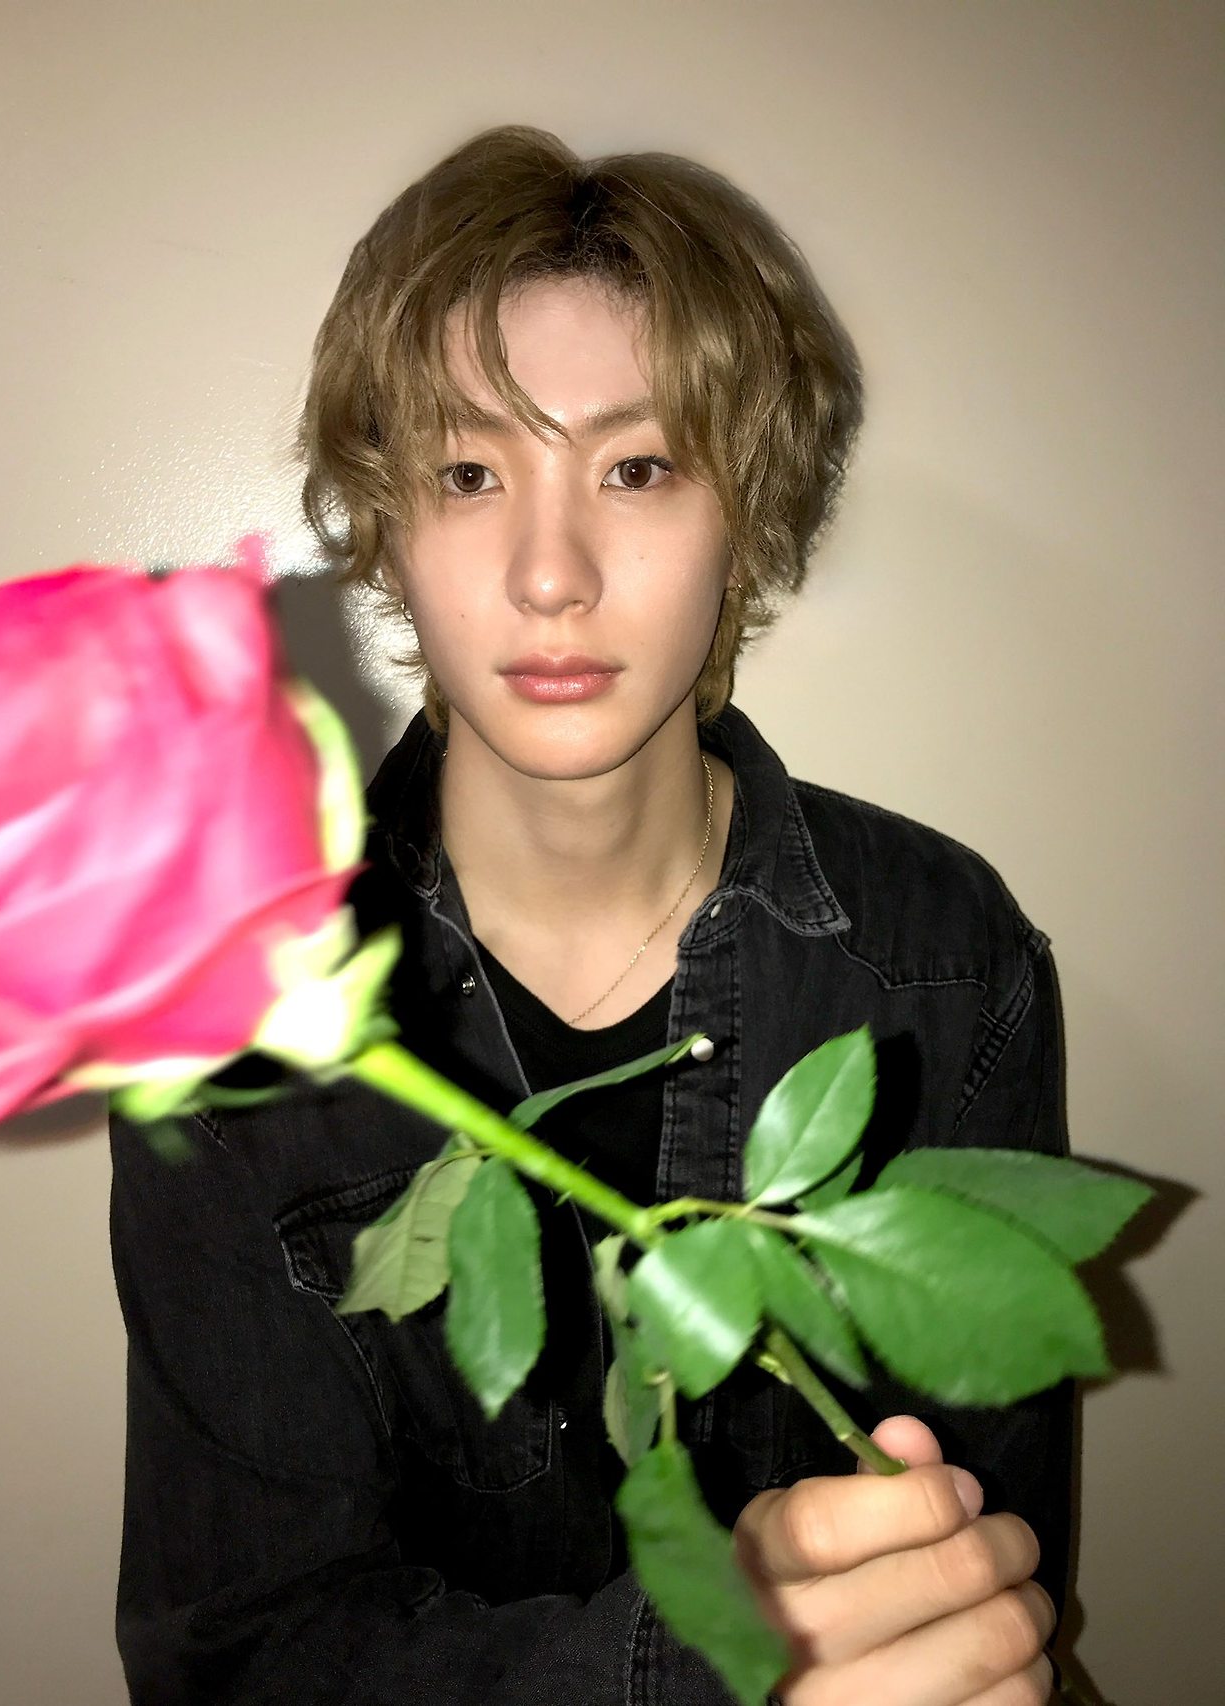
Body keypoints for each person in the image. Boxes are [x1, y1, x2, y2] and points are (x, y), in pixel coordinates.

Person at [108, 125, 1070, 1703]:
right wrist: (682, 1673)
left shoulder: (947, 963)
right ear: (387, 521)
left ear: (744, 512)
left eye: (637, 467)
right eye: (469, 473)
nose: (550, 573)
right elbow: (238, 1653)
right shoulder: (231, 1038)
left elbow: (994, 1560)